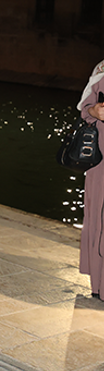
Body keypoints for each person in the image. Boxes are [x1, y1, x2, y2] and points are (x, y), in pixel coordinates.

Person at [78, 61, 104, 300]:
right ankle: (99, 285)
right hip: (101, 163)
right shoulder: (103, 69)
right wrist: (93, 111)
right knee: (98, 220)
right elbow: (85, 107)